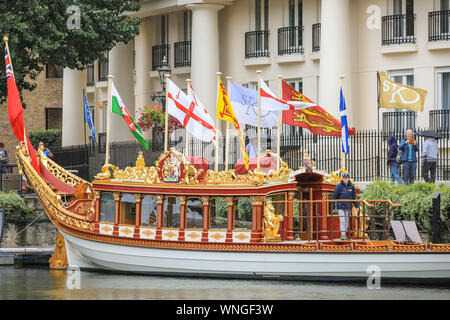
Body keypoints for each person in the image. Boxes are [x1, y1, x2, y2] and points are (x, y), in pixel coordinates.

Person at [331, 172, 359, 240]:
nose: (345, 179)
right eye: (344, 178)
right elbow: (334, 196)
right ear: (342, 179)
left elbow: (354, 197)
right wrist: (333, 207)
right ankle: (343, 235)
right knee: (342, 220)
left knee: (346, 220)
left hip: (348, 207)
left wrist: (356, 206)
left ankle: (344, 234)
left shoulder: (351, 186)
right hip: (341, 206)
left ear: (348, 178)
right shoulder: (339, 186)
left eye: (346, 178)